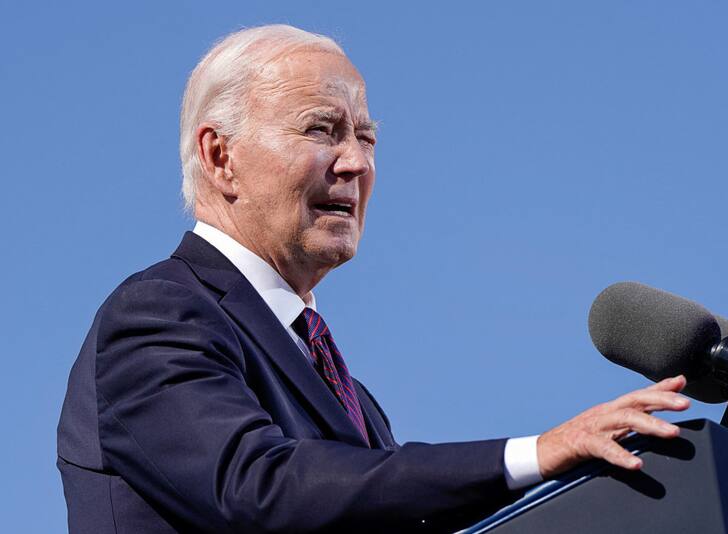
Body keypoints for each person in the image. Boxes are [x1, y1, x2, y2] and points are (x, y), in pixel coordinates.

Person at [57, 24, 690, 533]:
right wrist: (535, 453)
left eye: (366, 136)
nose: (356, 163)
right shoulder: (161, 311)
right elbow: (257, 486)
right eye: (321, 130)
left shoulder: (352, 397)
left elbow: (380, 497)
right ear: (220, 157)